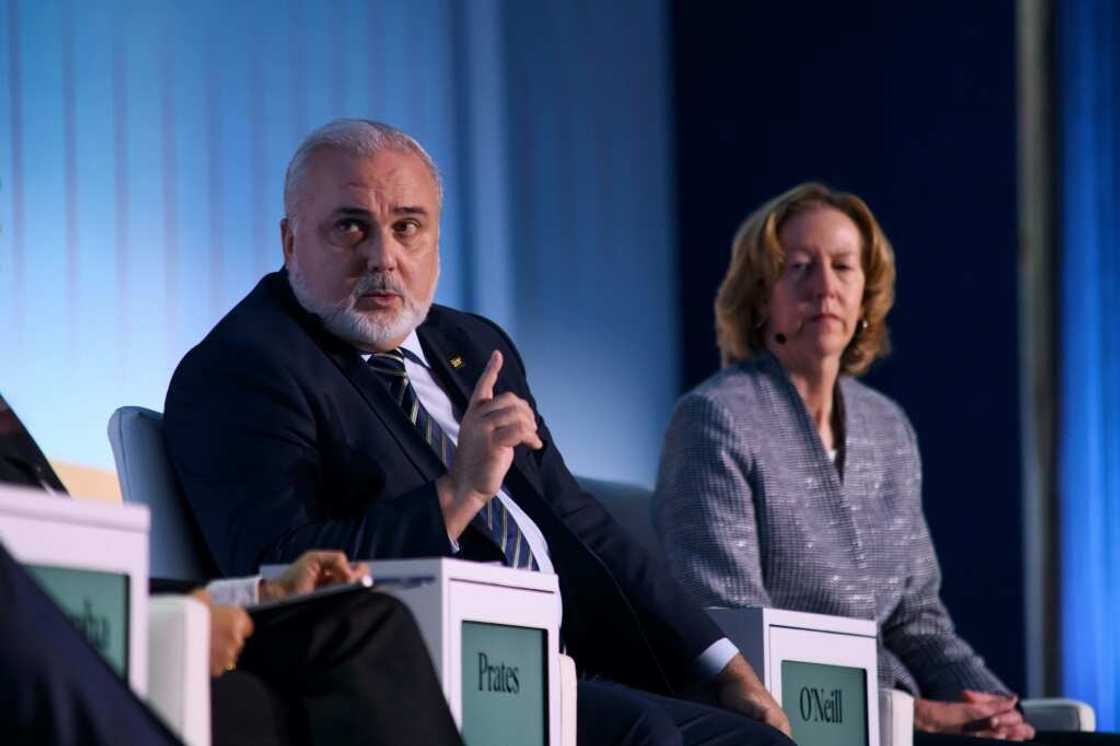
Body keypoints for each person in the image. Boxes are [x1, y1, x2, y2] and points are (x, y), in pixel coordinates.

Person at [163, 118, 794, 746]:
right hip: (434, 685)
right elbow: (280, 571)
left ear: (436, 243)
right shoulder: (244, 368)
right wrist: (456, 493)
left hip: (574, 666)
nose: (383, 257)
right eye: (350, 226)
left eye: (407, 227)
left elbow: (576, 518)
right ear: (290, 240)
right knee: (641, 734)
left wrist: (722, 663)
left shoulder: (471, 344)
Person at [652, 182, 1119, 745]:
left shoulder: (887, 427)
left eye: (843, 267)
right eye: (799, 267)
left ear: (865, 293)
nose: (825, 287)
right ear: (759, 298)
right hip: (790, 725)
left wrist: (996, 708)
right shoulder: (714, 419)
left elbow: (917, 620)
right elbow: (734, 636)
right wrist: (909, 715)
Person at [0, 397, 461, 746]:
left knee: (358, 620)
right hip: (56, 644)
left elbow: (67, 565)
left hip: (102, 614)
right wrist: (171, 624)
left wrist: (255, 593)